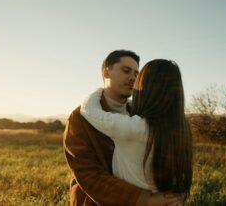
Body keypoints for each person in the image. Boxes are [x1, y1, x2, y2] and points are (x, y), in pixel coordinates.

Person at [63, 51, 185, 206]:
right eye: (126, 71)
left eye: (136, 73)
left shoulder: (141, 114)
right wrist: (143, 199)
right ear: (106, 71)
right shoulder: (80, 118)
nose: (133, 78)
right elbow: (87, 173)